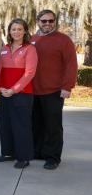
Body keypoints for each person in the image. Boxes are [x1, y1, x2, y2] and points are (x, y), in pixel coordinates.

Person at [31, 10, 78, 170]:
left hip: (54, 91)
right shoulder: (32, 39)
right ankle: (38, 152)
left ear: (55, 22)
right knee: (36, 124)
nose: (47, 24)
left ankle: (53, 157)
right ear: (38, 21)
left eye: (51, 21)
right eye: (44, 21)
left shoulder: (64, 40)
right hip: (33, 91)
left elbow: (71, 65)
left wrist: (67, 87)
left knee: (53, 126)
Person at [0, 18, 38, 169]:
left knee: (21, 126)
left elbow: (30, 73)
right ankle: (8, 153)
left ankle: (23, 157)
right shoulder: (5, 48)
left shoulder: (29, 49)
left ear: (25, 31)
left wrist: (14, 89)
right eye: (13, 29)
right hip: (4, 93)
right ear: (9, 32)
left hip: (22, 93)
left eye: (20, 29)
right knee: (5, 124)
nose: (16, 32)